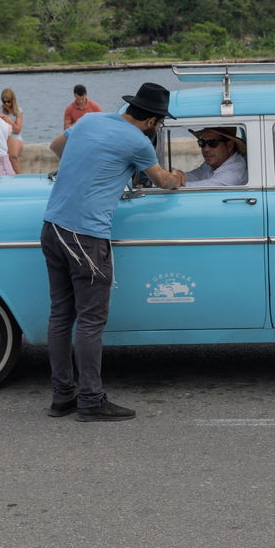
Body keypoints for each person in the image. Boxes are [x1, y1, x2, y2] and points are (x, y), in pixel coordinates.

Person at [41, 82, 183, 422]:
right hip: (86, 235)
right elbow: (162, 180)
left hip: (52, 225)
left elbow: (56, 145)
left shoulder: (91, 120)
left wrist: (89, 169)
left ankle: (63, 396)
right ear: (152, 122)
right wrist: (180, 176)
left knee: (61, 314)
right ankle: (91, 399)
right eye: (160, 122)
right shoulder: (137, 142)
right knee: (91, 319)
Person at [181, 126, 248, 187]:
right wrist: (177, 175)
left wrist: (175, 181)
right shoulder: (213, 163)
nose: (206, 149)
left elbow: (205, 188)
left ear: (229, 145)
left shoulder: (235, 172)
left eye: (212, 143)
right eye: (202, 143)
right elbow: (194, 175)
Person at [0, 87, 25, 174]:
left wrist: (10, 122)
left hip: (15, 137)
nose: (6, 104)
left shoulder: (18, 111)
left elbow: (18, 130)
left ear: (13, 100)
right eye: (4, 101)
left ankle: (19, 176)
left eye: (8, 101)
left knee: (13, 155)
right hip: (2, 138)